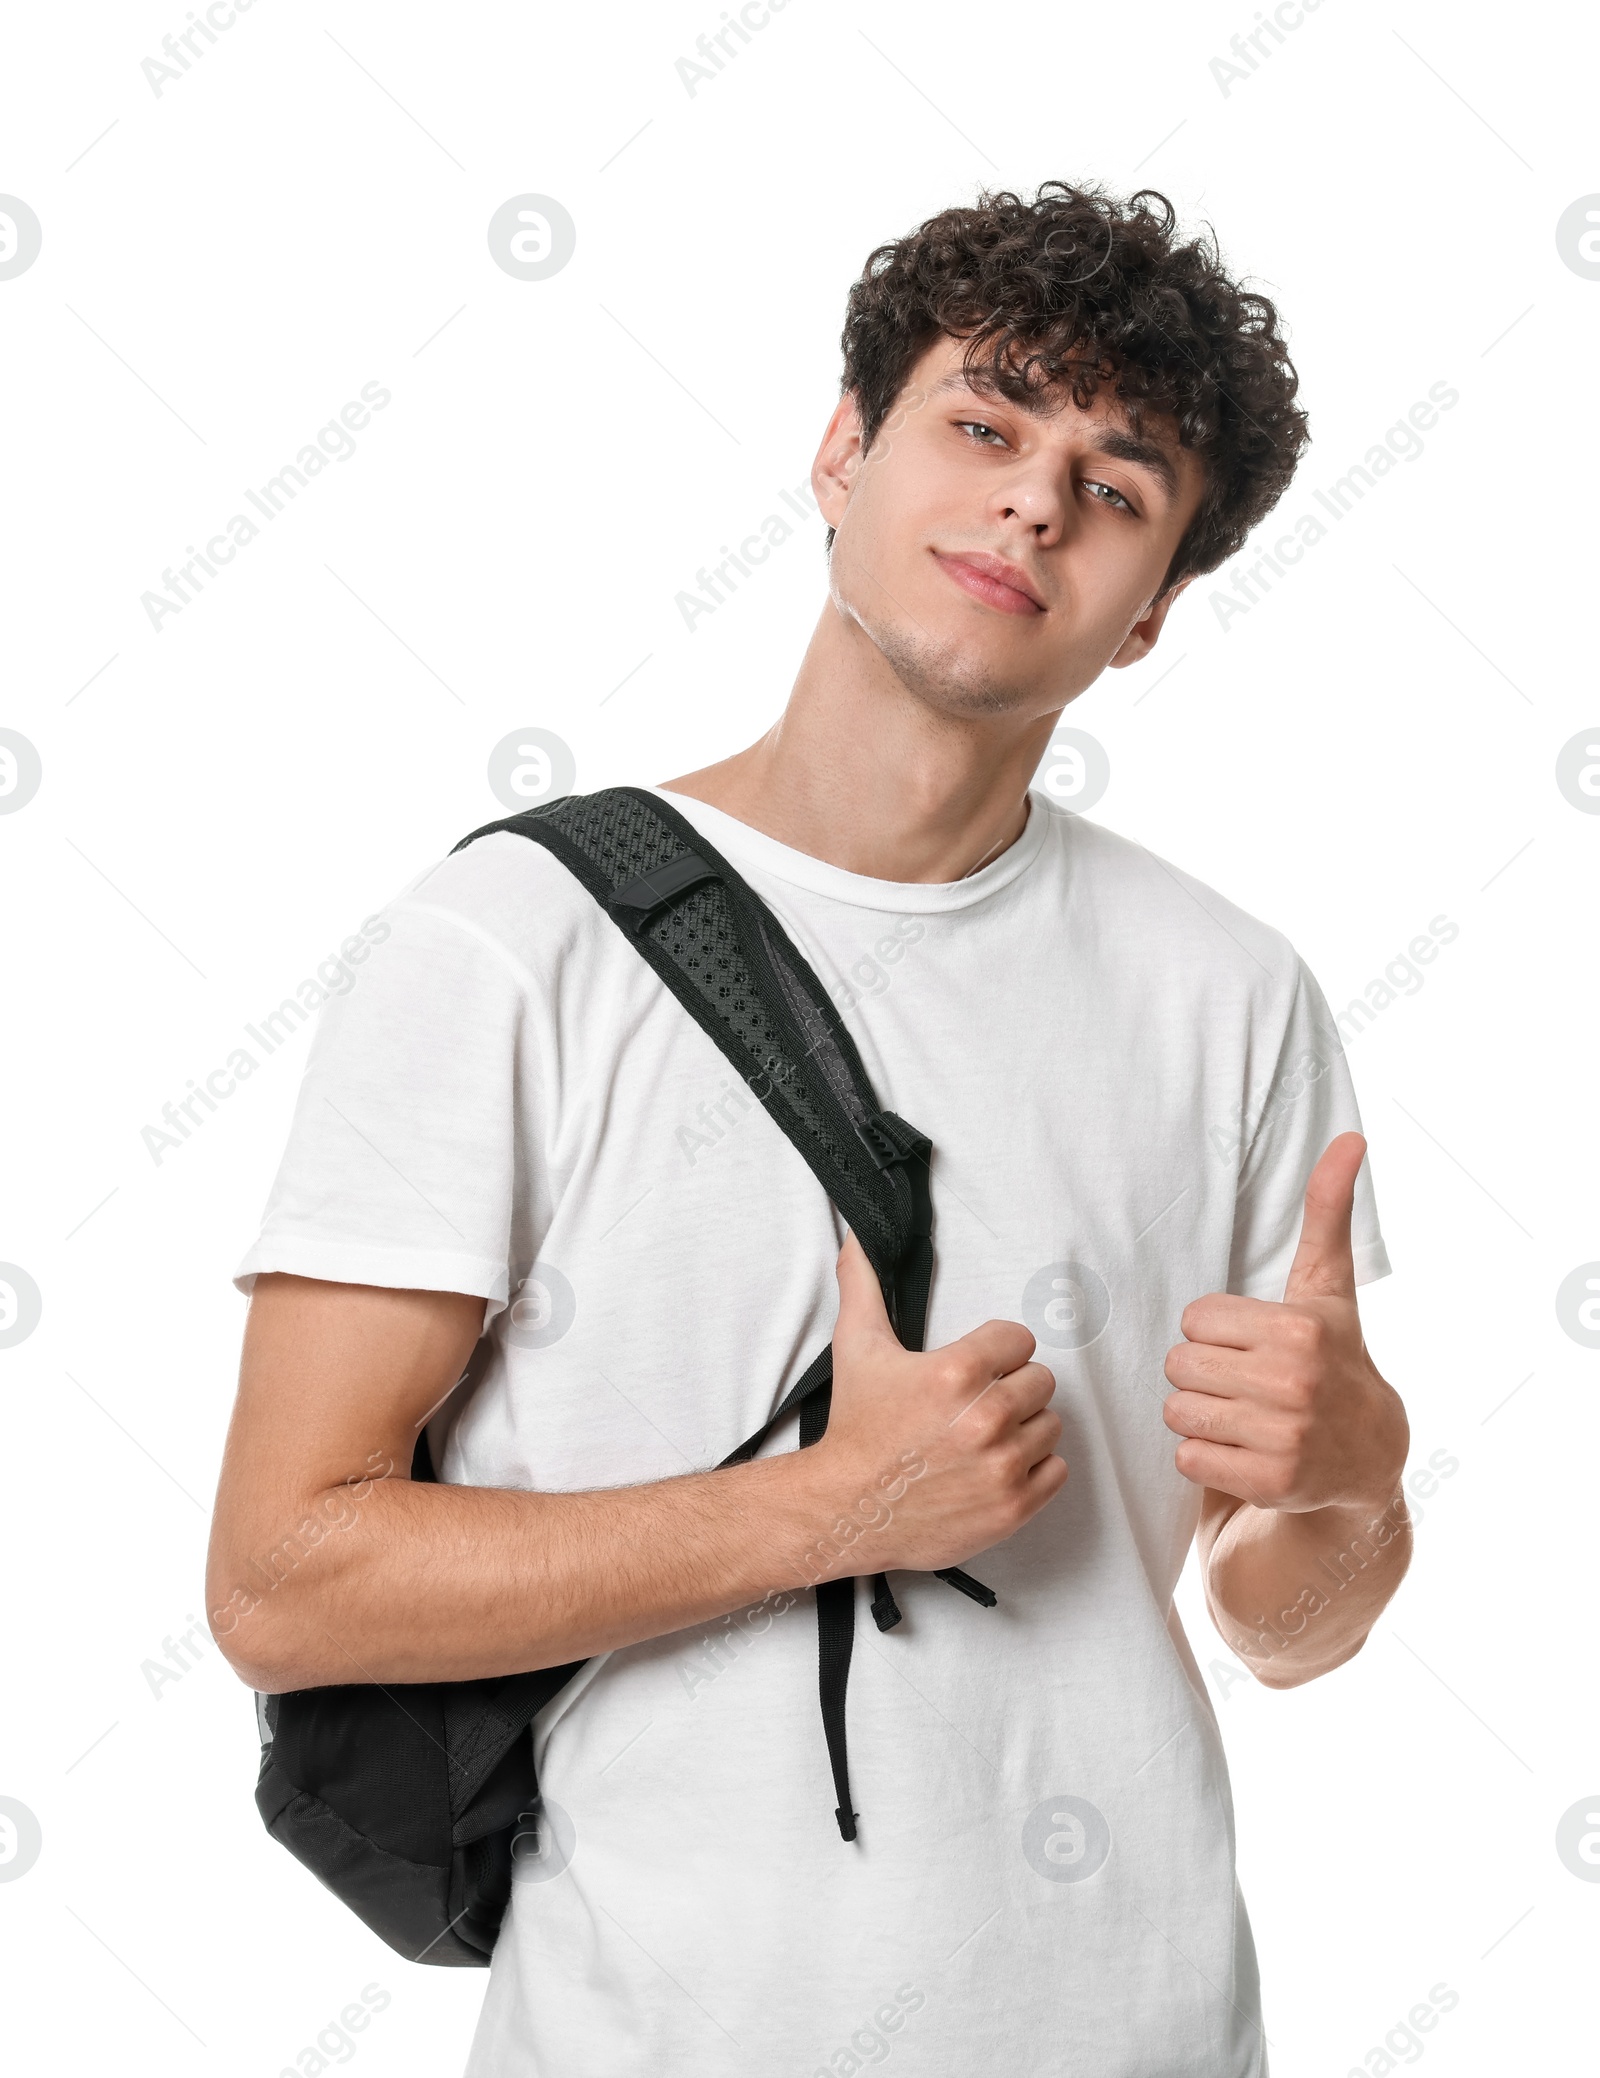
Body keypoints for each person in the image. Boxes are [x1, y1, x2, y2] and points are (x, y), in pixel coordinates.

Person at [209, 180, 1412, 2076]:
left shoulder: (1233, 995)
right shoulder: (510, 945)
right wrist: (826, 1509)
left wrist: (1350, 1482)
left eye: (1116, 485)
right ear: (844, 450)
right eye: (988, 420)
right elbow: (280, 1578)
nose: (1034, 500)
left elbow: (1286, 1624)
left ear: (1157, 610)